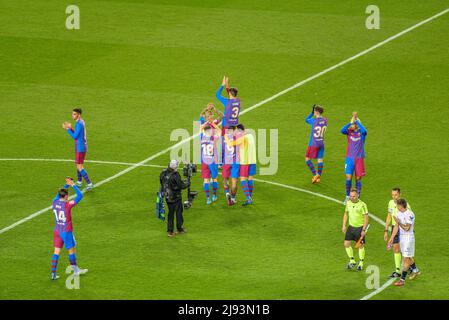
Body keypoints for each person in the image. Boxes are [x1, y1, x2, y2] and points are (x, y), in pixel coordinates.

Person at [51, 177, 88, 280]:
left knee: (56, 251)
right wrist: (72, 184)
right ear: (66, 196)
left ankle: (53, 274)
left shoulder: (54, 202)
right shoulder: (67, 205)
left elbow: (58, 194)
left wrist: (66, 185)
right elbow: (80, 195)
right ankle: (76, 271)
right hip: (66, 232)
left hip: (57, 231)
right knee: (72, 250)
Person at [388, 199, 421, 286]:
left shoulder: (410, 214)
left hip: (408, 238)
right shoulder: (398, 213)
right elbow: (396, 226)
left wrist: (398, 222)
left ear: (401, 206)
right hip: (401, 238)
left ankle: (402, 280)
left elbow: (407, 228)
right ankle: (416, 270)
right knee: (407, 257)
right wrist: (391, 237)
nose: (397, 207)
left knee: (406, 259)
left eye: (398, 206)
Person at [224, 124, 257, 206]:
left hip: (245, 161)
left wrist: (226, 137)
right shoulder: (250, 136)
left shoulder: (242, 138)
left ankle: (248, 198)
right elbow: (247, 130)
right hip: (253, 160)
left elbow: (230, 144)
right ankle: (249, 198)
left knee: (242, 179)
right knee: (250, 179)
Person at [63, 108, 93, 190]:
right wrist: (71, 128)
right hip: (79, 146)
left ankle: (89, 183)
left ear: (79, 115)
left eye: (74, 114)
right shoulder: (80, 122)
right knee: (78, 164)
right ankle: (79, 181)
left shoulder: (79, 124)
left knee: (79, 166)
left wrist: (68, 129)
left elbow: (75, 136)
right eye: (72, 114)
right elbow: (77, 133)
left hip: (80, 147)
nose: (73, 115)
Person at [384, 187, 412, 278]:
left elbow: (410, 217)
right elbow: (389, 216)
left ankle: (411, 267)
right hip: (394, 227)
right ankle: (397, 271)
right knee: (396, 248)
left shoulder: (405, 204)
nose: (394, 197)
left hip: (403, 229)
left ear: (399, 194)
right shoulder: (390, 203)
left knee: (404, 251)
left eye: (395, 195)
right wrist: (385, 230)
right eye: (392, 195)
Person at [340, 112, 367, 204]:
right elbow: (342, 130)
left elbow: (365, 131)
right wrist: (350, 122)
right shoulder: (349, 132)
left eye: (353, 124)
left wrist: (357, 122)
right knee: (348, 177)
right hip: (350, 158)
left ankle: (357, 197)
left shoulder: (361, 134)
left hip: (359, 159)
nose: (351, 126)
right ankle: (348, 196)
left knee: (358, 178)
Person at [160, 160, 190, 237]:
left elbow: (162, 183)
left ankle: (170, 231)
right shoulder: (175, 175)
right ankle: (179, 229)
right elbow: (181, 186)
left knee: (170, 213)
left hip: (167, 197)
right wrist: (187, 184)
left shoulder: (163, 173)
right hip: (176, 197)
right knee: (178, 212)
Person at [342, 189, 369, 271]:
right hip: (351, 227)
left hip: (359, 228)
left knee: (360, 246)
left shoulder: (362, 205)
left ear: (357, 195)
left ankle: (361, 263)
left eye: (353, 196)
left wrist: (363, 230)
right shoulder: (348, 202)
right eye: (350, 196)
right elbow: (346, 214)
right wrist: (344, 225)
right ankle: (352, 260)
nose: (352, 198)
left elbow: (366, 218)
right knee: (346, 244)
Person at [305, 105, 327, 184]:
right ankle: (318, 176)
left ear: (317, 112)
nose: (313, 112)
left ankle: (315, 175)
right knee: (320, 159)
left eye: (314, 111)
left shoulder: (314, 121)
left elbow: (306, 119)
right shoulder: (325, 120)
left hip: (313, 143)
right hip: (321, 142)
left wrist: (311, 113)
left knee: (307, 158)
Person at [200, 124, 220, 204]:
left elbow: (200, 128)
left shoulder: (201, 137)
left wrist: (206, 123)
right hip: (212, 162)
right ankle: (214, 195)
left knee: (206, 180)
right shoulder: (214, 138)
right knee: (214, 178)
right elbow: (220, 131)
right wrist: (213, 124)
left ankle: (208, 198)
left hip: (204, 162)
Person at [222, 126, 240, 205]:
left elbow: (221, 150)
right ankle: (232, 198)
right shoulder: (237, 138)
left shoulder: (224, 139)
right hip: (235, 162)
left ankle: (227, 193)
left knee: (225, 179)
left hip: (226, 161)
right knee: (234, 182)